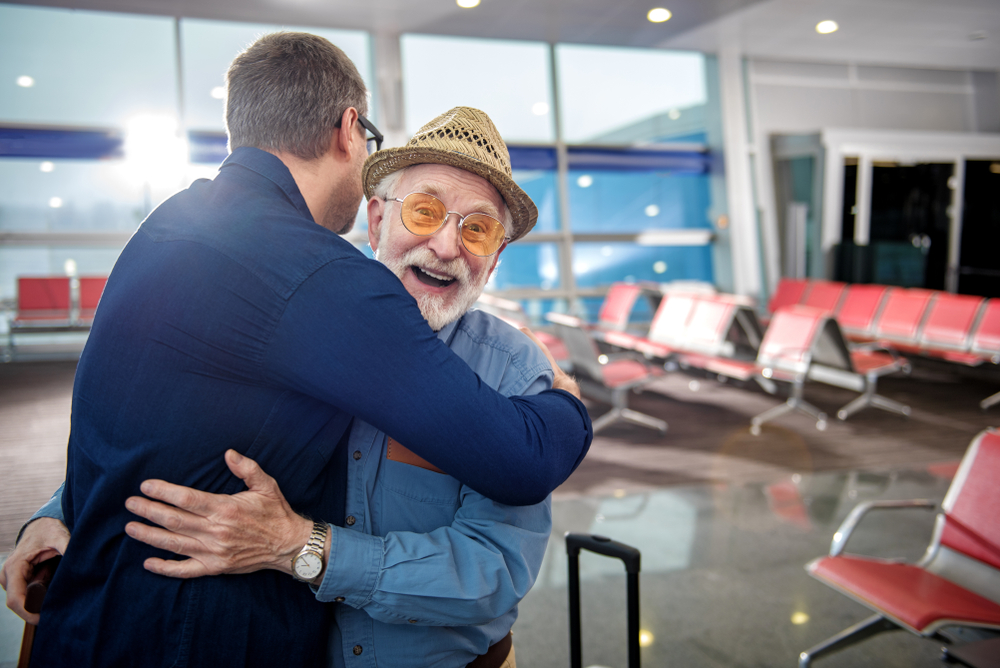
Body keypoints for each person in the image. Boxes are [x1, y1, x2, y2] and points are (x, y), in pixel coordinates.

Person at [1, 34, 591, 667]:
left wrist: (304, 548)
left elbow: (157, 412)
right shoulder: (322, 286)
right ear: (374, 212)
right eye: (424, 211)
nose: (447, 245)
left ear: (496, 254)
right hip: (190, 636)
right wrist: (569, 404)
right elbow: (524, 459)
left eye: (477, 228)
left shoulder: (172, 224)